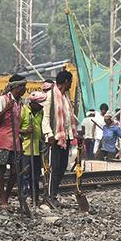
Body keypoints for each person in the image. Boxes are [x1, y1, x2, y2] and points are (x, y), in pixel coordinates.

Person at [0, 75, 28, 209]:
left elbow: (17, 125)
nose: (25, 89)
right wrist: (7, 108)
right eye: (23, 86)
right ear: (16, 87)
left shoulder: (20, 102)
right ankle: (2, 198)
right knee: (1, 168)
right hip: (3, 140)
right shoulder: (3, 99)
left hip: (15, 141)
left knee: (14, 171)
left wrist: (24, 132)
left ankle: (6, 196)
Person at [42, 70, 78, 207]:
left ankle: (54, 194)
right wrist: (49, 134)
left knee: (62, 167)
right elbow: (45, 118)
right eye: (71, 82)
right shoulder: (50, 96)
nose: (71, 85)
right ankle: (49, 196)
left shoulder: (66, 98)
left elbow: (68, 119)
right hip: (55, 138)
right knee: (53, 168)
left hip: (66, 138)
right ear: (67, 82)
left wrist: (74, 134)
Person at [19, 91, 47, 207]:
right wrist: (25, 131)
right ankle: (23, 198)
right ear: (33, 103)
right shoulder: (24, 111)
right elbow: (16, 129)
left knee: (35, 176)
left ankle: (35, 198)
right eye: (39, 104)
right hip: (26, 149)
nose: (41, 106)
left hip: (37, 149)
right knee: (24, 175)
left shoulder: (41, 112)